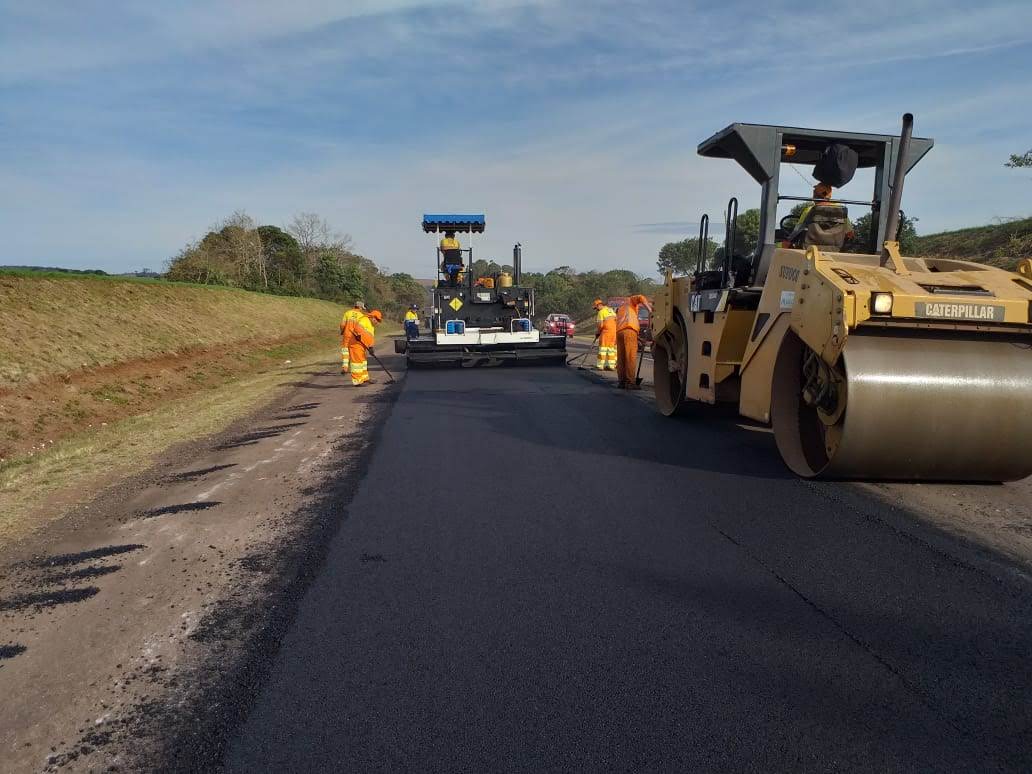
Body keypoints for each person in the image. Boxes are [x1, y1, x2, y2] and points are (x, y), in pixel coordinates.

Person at [788, 183, 853, 249]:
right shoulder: (840, 211)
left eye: (814, 191)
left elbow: (796, 232)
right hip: (835, 250)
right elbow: (850, 234)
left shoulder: (809, 210)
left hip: (809, 250)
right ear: (829, 195)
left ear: (815, 194)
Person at [615, 294, 651, 390]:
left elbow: (625, 326)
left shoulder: (621, 308)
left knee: (621, 358)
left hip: (619, 332)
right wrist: (650, 310)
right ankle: (630, 382)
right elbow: (641, 297)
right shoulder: (630, 301)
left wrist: (639, 339)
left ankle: (622, 382)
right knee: (630, 357)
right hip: (629, 331)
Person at [344, 309, 382, 387]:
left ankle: (365, 378)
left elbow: (370, 337)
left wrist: (371, 347)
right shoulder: (364, 320)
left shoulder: (371, 326)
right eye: (377, 319)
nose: (377, 322)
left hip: (362, 346)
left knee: (363, 362)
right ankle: (357, 381)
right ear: (372, 317)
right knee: (357, 364)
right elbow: (358, 328)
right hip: (356, 345)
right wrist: (359, 335)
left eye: (378, 321)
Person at [339, 300, 366, 374]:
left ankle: (345, 367)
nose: (362, 310)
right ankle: (356, 369)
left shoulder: (347, 313)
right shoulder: (361, 316)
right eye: (362, 308)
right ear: (360, 307)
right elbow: (362, 328)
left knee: (345, 351)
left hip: (346, 334)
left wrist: (342, 331)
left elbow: (342, 324)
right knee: (355, 352)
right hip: (356, 337)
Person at [593, 298, 617, 371]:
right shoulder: (611, 310)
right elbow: (616, 320)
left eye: (596, 308)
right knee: (611, 349)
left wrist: (598, 333)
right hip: (614, 333)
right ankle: (611, 366)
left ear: (599, 305)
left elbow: (600, 325)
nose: (596, 310)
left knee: (602, 349)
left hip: (606, 333)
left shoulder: (601, 312)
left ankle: (600, 366)